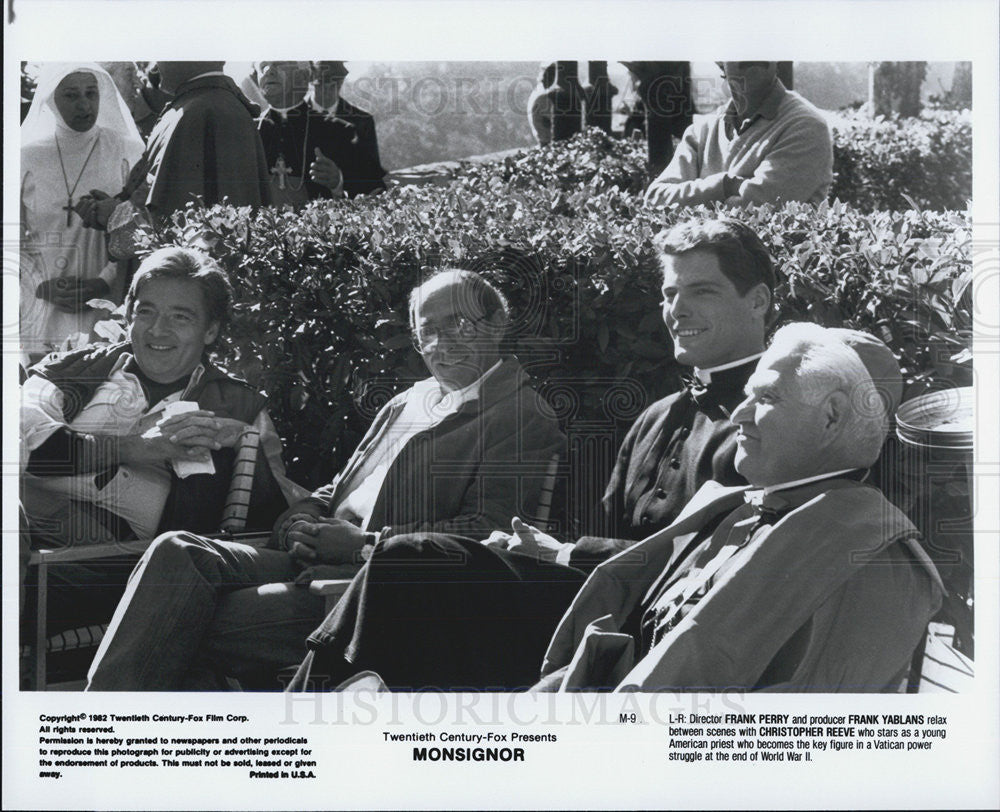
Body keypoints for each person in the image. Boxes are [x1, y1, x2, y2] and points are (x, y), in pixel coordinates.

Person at [286, 217, 774, 691]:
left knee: (408, 559)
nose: (677, 310)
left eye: (701, 291)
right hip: (592, 603)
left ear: (758, 302)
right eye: (670, 293)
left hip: (656, 630)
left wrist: (564, 553)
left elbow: (721, 566)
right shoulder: (657, 415)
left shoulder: (770, 420)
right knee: (413, 574)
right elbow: (603, 536)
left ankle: (308, 726)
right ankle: (323, 720)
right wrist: (540, 550)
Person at [85, 269, 564, 690]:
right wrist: (301, 520)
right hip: (314, 563)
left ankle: (113, 752)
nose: (439, 343)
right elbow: (337, 490)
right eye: (427, 331)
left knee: (178, 621)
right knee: (178, 550)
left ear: (498, 324)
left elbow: (492, 534)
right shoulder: (408, 402)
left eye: (457, 324)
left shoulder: (519, 415)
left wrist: (365, 544)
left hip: (376, 594)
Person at [536, 323, 944, 693]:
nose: (737, 415)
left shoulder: (872, 555)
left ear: (832, 416)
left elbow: (792, 737)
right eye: (746, 395)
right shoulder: (735, 508)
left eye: (765, 397)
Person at [21, 246, 299, 633]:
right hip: (26, 533)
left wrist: (241, 442)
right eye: (146, 312)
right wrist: (139, 447)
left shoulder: (239, 407)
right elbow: (27, 449)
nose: (157, 330)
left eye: (180, 317)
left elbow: (271, 527)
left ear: (212, 330)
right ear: (129, 315)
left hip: (120, 574)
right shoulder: (69, 373)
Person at [20, 62, 145, 363]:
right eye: (71, 95)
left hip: (106, 300)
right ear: (51, 99)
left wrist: (103, 281)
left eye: (91, 93)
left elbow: (139, 226)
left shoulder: (125, 150)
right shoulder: (26, 156)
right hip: (41, 305)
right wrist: (39, 285)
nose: (84, 104)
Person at [74, 61, 272, 237]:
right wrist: (114, 206)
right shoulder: (200, 105)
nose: (156, 62)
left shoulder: (196, 113)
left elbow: (177, 217)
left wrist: (113, 213)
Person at [644, 61, 833, 209]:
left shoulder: (806, 126)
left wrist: (691, 199)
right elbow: (655, 199)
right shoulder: (701, 131)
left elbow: (758, 208)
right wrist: (725, 185)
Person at [256, 60, 386, 207]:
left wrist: (339, 182)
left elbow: (375, 190)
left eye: (279, 65)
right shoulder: (251, 131)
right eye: (263, 67)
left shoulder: (339, 131)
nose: (269, 71)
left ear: (304, 77)